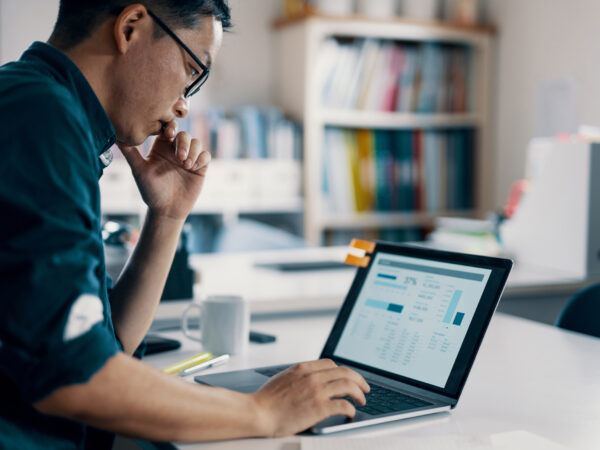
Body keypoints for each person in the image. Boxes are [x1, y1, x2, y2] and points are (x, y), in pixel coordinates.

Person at [0, 1, 369, 448]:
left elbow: (104, 345)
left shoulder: (47, 110)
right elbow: (76, 376)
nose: (182, 106)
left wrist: (168, 216)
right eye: (193, 69)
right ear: (131, 27)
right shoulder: (42, 118)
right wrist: (263, 410)